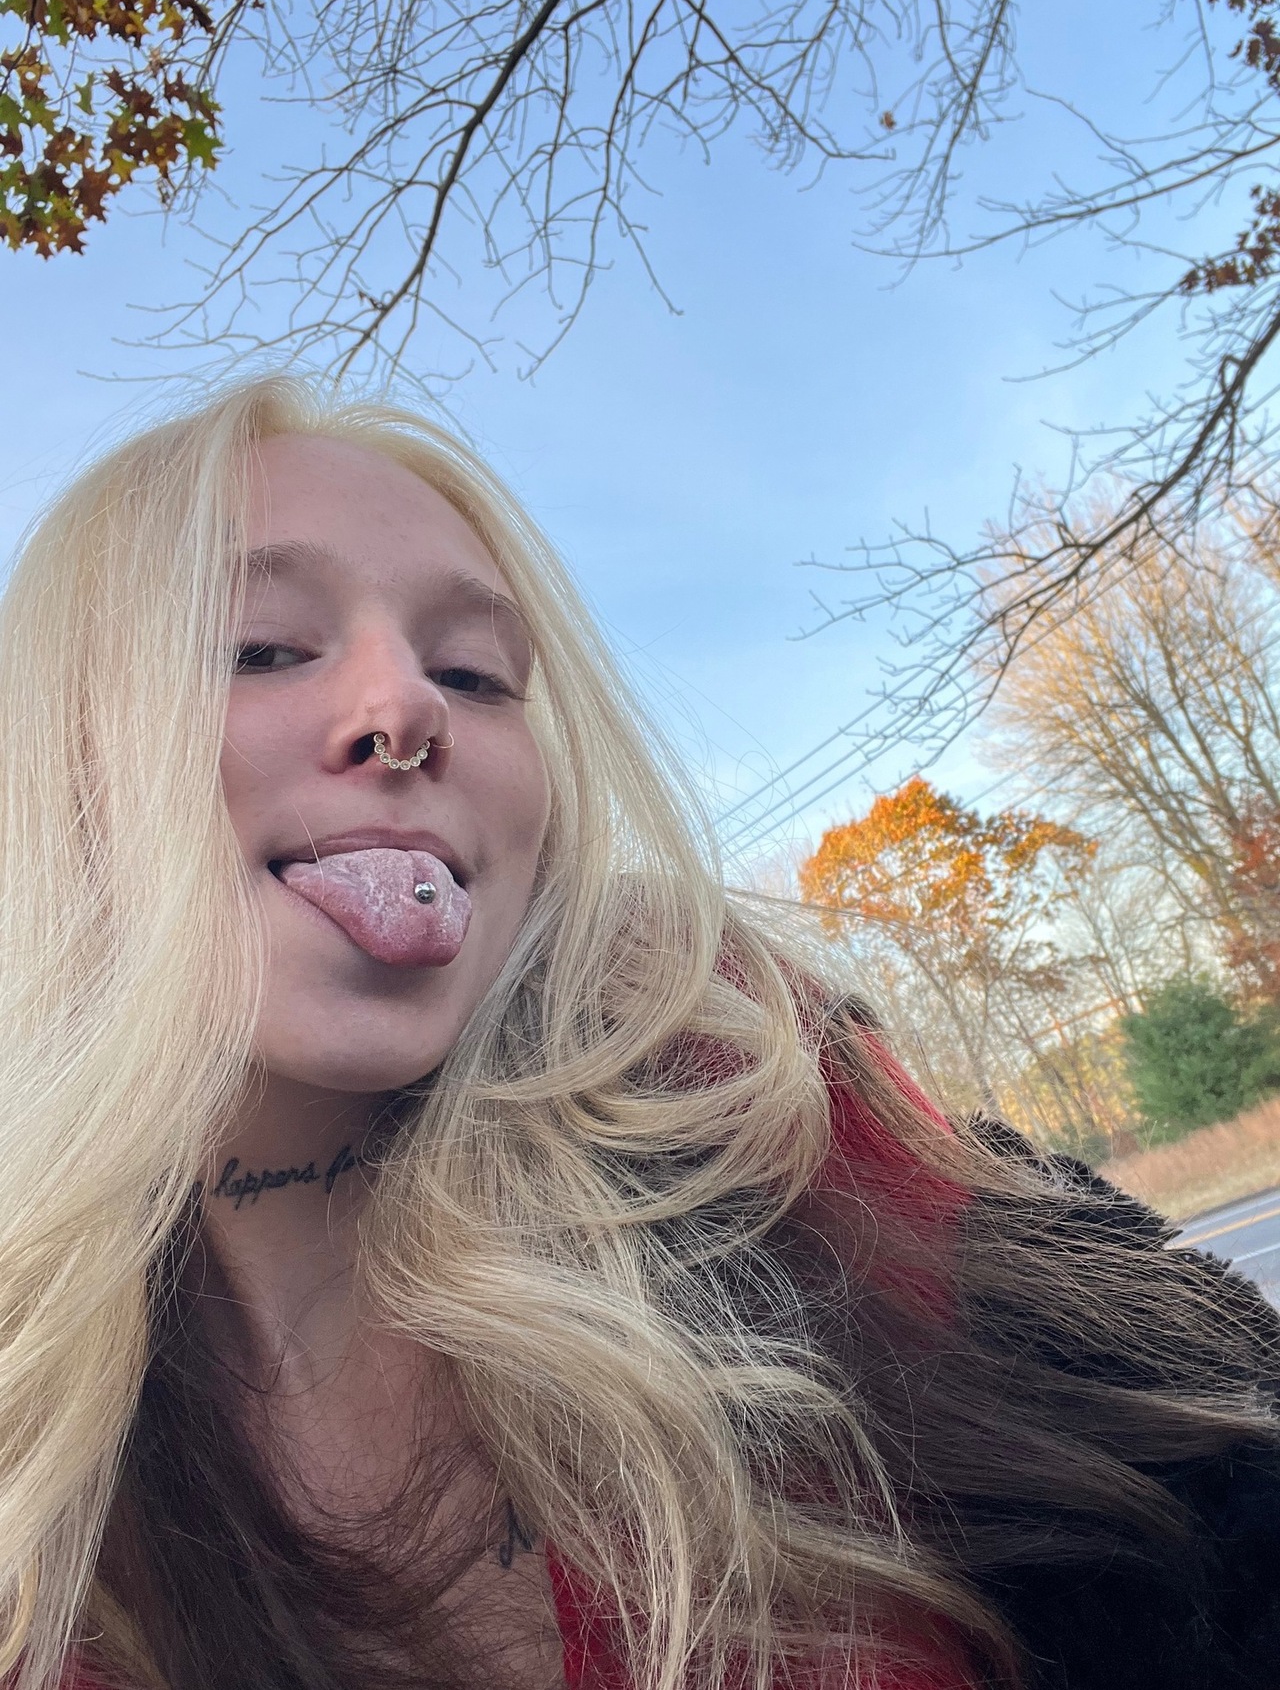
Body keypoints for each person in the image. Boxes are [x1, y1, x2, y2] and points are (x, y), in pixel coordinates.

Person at [0, 375, 1277, 1690]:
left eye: (475, 674)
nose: (411, 709)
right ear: (61, 772)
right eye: (262, 648)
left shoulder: (748, 1105)